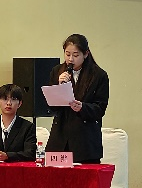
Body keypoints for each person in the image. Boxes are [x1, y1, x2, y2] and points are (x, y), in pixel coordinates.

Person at [46, 34, 109, 163]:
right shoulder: (57, 71)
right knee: (56, 175)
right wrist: (59, 86)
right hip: (60, 139)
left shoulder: (99, 75)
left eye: (75, 55)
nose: (70, 59)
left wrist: (83, 107)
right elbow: (51, 107)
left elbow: (100, 108)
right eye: (67, 54)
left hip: (85, 142)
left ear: (85, 54)